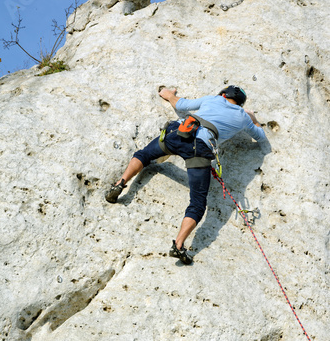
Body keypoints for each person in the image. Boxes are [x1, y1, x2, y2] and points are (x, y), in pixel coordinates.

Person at [105, 85, 266, 264]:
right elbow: (260, 136)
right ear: (241, 104)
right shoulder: (243, 117)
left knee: (144, 155)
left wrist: (168, 94)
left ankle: (120, 184)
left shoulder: (212, 99)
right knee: (197, 203)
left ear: (222, 94)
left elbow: (181, 105)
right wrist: (253, 119)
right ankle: (179, 244)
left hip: (180, 134)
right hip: (200, 151)